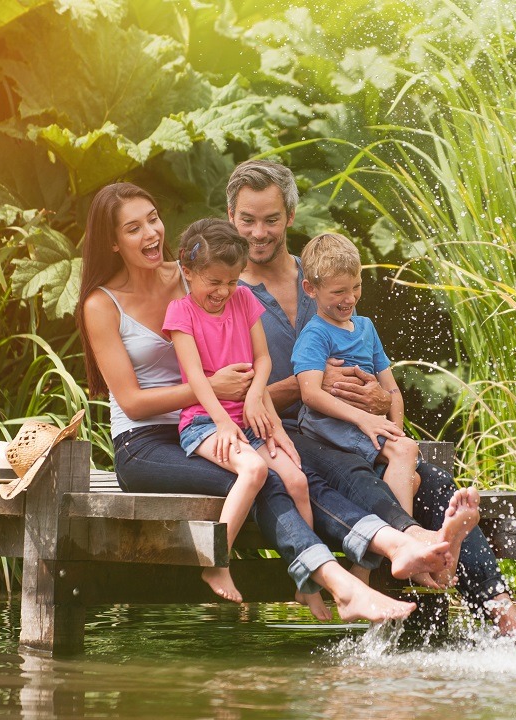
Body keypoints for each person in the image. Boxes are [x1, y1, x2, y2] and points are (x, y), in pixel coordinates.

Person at [75, 182, 455, 623]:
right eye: (133, 227)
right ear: (112, 241)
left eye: (154, 218)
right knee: (265, 480)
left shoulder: (193, 274)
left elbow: (243, 334)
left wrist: (258, 390)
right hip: (146, 444)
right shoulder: (101, 305)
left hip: (222, 422)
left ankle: (387, 549)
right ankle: (339, 583)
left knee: (295, 473)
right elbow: (134, 402)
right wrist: (215, 389)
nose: (151, 233)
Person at [226, 159, 516, 640]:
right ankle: (408, 555)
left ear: (290, 215)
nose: (259, 232)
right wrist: (310, 385)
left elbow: (366, 365)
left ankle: (507, 619)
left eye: (270, 218)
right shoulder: (224, 295)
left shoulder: (324, 275)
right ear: (231, 217)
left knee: (430, 481)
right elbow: (229, 395)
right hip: (281, 435)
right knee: (352, 475)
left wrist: (376, 395)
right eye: (247, 219)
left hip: (346, 426)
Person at [164, 218, 313, 602]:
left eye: (231, 281)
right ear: (188, 272)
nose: (224, 291)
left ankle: (306, 575)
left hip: (246, 417)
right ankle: (215, 562)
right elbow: (196, 379)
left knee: (296, 481)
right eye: (214, 282)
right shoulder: (181, 314)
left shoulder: (244, 299)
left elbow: (262, 361)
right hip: (203, 422)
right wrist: (221, 422)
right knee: (255, 468)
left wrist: (252, 397)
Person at [293, 232, 420, 517]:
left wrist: (395, 429)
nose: (350, 298)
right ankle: (406, 540)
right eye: (338, 291)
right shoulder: (315, 334)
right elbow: (310, 393)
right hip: (330, 427)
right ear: (310, 289)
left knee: (412, 475)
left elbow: (392, 391)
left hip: (365, 425)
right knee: (405, 452)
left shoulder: (366, 328)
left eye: (356, 286)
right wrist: (366, 420)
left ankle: (369, 561)